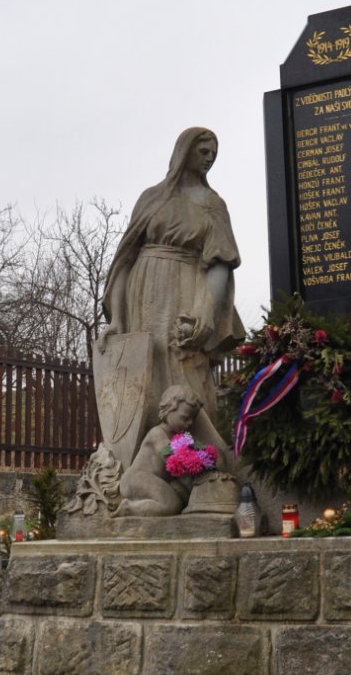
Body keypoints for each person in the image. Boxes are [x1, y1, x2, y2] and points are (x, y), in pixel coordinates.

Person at [97, 126, 242, 462]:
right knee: (145, 377)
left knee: (188, 368)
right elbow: (124, 260)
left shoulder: (213, 204)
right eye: (203, 151)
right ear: (184, 152)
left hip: (187, 289)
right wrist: (117, 319)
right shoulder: (152, 197)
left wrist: (205, 311)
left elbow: (221, 261)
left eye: (214, 153)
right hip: (143, 292)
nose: (210, 158)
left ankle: (198, 459)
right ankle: (148, 460)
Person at [119, 386, 204, 516]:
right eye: (185, 418)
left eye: (192, 419)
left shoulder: (180, 438)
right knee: (171, 504)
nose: (190, 423)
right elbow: (170, 458)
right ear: (169, 410)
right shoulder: (157, 434)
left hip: (149, 479)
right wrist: (190, 485)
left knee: (175, 501)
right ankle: (128, 508)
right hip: (135, 478)